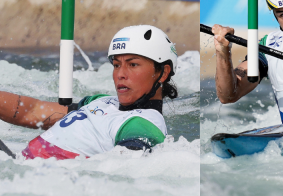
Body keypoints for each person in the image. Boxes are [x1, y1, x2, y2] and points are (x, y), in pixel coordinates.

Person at [0, 25, 178, 160]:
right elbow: (31, 111)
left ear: (163, 72)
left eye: (133, 64)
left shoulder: (142, 125)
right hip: (16, 167)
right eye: (116, 65)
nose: (120, 74)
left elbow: (119, 177)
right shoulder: (101, 101)